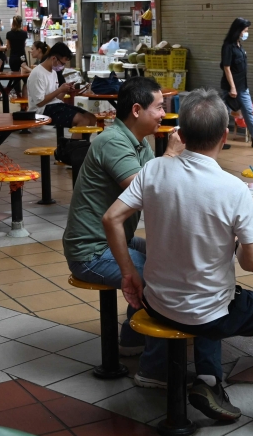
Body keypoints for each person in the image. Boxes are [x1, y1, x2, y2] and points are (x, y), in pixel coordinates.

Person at [103, 89, 253, 436]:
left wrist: (129, 274)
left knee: (214, 292)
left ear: (180, 134)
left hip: (157, 302)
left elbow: (112, 218)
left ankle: (210, 381)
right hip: (206, 310)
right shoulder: (233, 190)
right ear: (225, 135)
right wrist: (236, 242)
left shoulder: (154, 170)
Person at [64, 77, 182, 387]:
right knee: (160, 274)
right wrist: (170, 155)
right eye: (159, 108)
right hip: (91, 252)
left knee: (163, 257)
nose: (163, 115)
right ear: (136, 110)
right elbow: (145, 191)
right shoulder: (113, 141)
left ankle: (132, 340)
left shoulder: (138, 141)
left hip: (115, 241)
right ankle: (154, 370)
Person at [26, 42, 94, 128]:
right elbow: (40, 102)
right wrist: (60, 89)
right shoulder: (37, 73)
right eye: (62, 64)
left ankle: (83, 141)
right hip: (41, 110)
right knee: (82, 120)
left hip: (55, 105)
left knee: (91, 117)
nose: (62, 66)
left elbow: (56, 98)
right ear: (54, 58)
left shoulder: (53, 72)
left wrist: (66, 90)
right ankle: (76, 141)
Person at [220, 18, 253, 148]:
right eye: (245, 30)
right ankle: (218, 140)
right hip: (230, 88)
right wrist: (232, 88)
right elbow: (226, 68)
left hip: (242, 86)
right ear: (238, 30)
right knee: (223, 115)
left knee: (248, 111)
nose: (246, 33)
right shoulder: (228, 46)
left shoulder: (239, 45)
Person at [5, 16, 28, 94]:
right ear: (21, 23)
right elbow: (24, 45)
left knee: (15, 78)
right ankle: (25, 96)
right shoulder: (24, 33)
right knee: (25, 77)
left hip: (13, 57)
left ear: (13, 23)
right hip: (22, 57)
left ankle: (18, 94)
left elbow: (8, 46)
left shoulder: (9, 34)